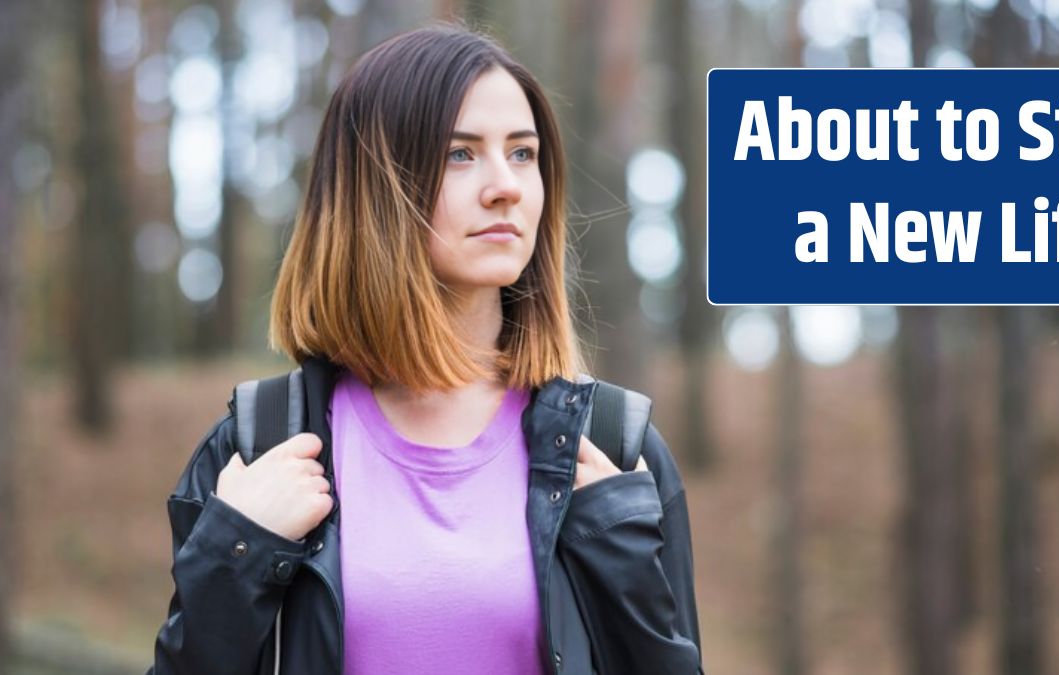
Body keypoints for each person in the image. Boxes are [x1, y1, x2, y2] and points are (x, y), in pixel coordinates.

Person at [147, 24, 703, 675]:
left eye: (523, 154)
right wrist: (234, 552)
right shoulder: (256, 448)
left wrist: (623, 562)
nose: (507, 186)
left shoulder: (615, 452)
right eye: (460, 155)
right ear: (374, 188)